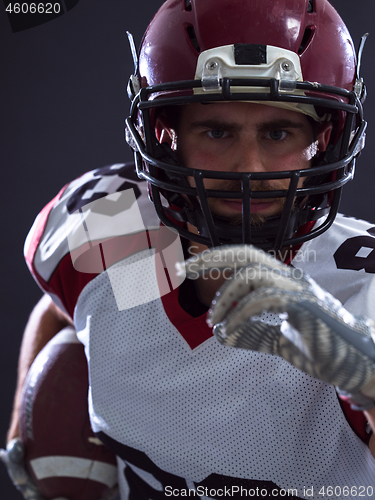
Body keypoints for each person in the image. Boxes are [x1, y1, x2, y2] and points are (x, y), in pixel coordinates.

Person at [2, 0, 375, 498]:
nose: (248, 167)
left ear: (324, 140)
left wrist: (368, 382)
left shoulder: (360, 286)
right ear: (166, 134)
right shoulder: (116, 234)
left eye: (278, 132)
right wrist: (23, 427)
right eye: (217, 131)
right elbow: (70, 309)